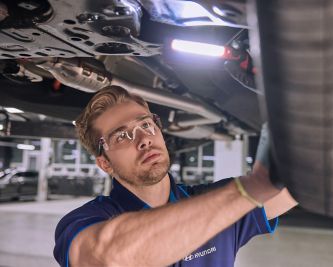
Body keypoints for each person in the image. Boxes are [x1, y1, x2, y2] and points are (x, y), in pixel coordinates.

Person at [53, 85, 297, 267]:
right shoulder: (84, 221)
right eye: (121, 136)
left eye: (146, 125)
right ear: (105, 163)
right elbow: (105, 257)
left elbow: (300, 185)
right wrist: (249, 190)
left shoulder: (216, 202)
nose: (143, 139)